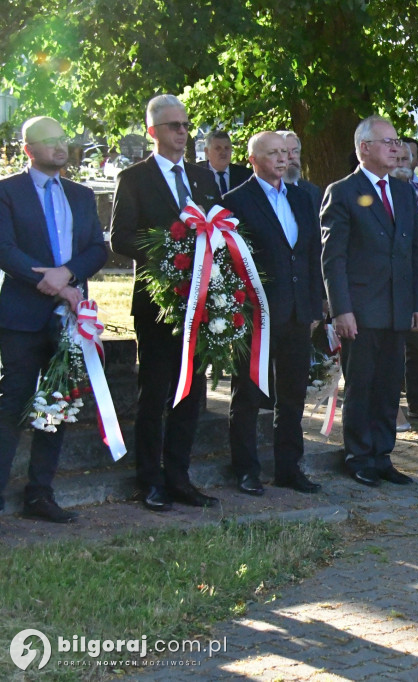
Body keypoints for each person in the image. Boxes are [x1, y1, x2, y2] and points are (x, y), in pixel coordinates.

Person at [110, 94, 222, 512]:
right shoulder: (134, 178)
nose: (183, 132)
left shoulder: (202, 177)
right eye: (174, 126)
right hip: (158, 302)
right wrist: (169, 250)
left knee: (191, 393)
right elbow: (121, 237)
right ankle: (149, 481)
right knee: (156, 391)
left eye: (186, 125)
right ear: (154, 131)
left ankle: (179, 478)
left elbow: (220, 228)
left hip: (203, 301)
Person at [0, 116, 107, 522]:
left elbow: (97, 248)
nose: (60, 146)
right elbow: (5, 249)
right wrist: (56, 283)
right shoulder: (7, 192)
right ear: (28, 149)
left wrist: (71, 275)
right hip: (21, 317)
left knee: (57, 406)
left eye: (63, 138)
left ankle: (39, 495)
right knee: (13, 403)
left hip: (69, 319)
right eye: (49, 141)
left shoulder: (81, 195)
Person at [321, 115, 418, 487]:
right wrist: (341, 309)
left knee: (388, 385)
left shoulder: (402, 190)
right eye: (388, 142)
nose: (397, 148)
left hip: (398, 307)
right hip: (361, 310)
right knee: (362, 384)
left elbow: (415, 251)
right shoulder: (343, 191)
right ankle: (358, 455)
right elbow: (333, 258)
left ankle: (383, 454)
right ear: (364, 148)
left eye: (397, 141)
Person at [223, 132, 323, 496]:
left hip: (298, 312)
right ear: (253, 159)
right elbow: (229, 261)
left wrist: (315, 305)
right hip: (256, 315)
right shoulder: (235, 201)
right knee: (248, 394)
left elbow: (312, 255)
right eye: (273, 153)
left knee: (293, 393)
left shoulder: (302, 197)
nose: (283, 159)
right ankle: (246, 468)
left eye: (286, 152)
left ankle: (288, 467)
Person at [390, 142, 418, 426]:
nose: (403, 162)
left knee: (417, 347)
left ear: (416, 161)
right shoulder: (374, 193)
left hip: (416, 281)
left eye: (408, 157)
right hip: (385, 287)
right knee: (390, 350)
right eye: (397, 157)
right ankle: (392, 406)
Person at [278, 130, 324, 214]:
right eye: (285, 151)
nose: (291, 156)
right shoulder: (266, 192)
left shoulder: (312, 191)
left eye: (295, 151)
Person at [204, 130, 252, 194]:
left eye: (226, 148)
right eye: (218, 148)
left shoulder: (246, 175)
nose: (223, 152)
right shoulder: (196, 174)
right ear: (207, 151)